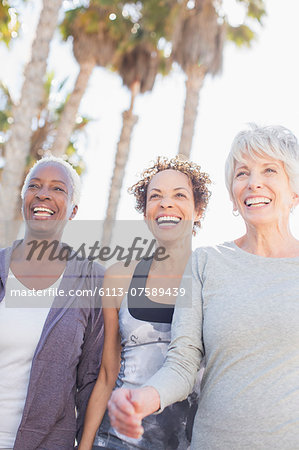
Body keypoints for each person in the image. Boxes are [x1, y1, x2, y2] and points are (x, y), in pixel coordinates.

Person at [108, 124, 299, 449]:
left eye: (270, 169)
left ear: (294, 190)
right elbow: (182, 363)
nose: (254, 182)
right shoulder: (206, 263)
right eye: (242, 173)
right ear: (233, 195)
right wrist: (142, 399)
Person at [78, 156, 211, 450]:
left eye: (179, 195)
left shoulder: (214, 280)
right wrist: (84, 446)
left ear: (198, 210)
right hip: (117, 441)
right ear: (146, 211)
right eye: (155, 196)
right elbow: (107, 375)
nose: (166, 203)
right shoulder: (119, 277)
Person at [0, 156, 104, 450]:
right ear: (24, 201)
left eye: (58, 188)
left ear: (73, 210)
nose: (43, 193)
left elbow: (93, 379)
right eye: (34, 186)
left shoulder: (91, 280)